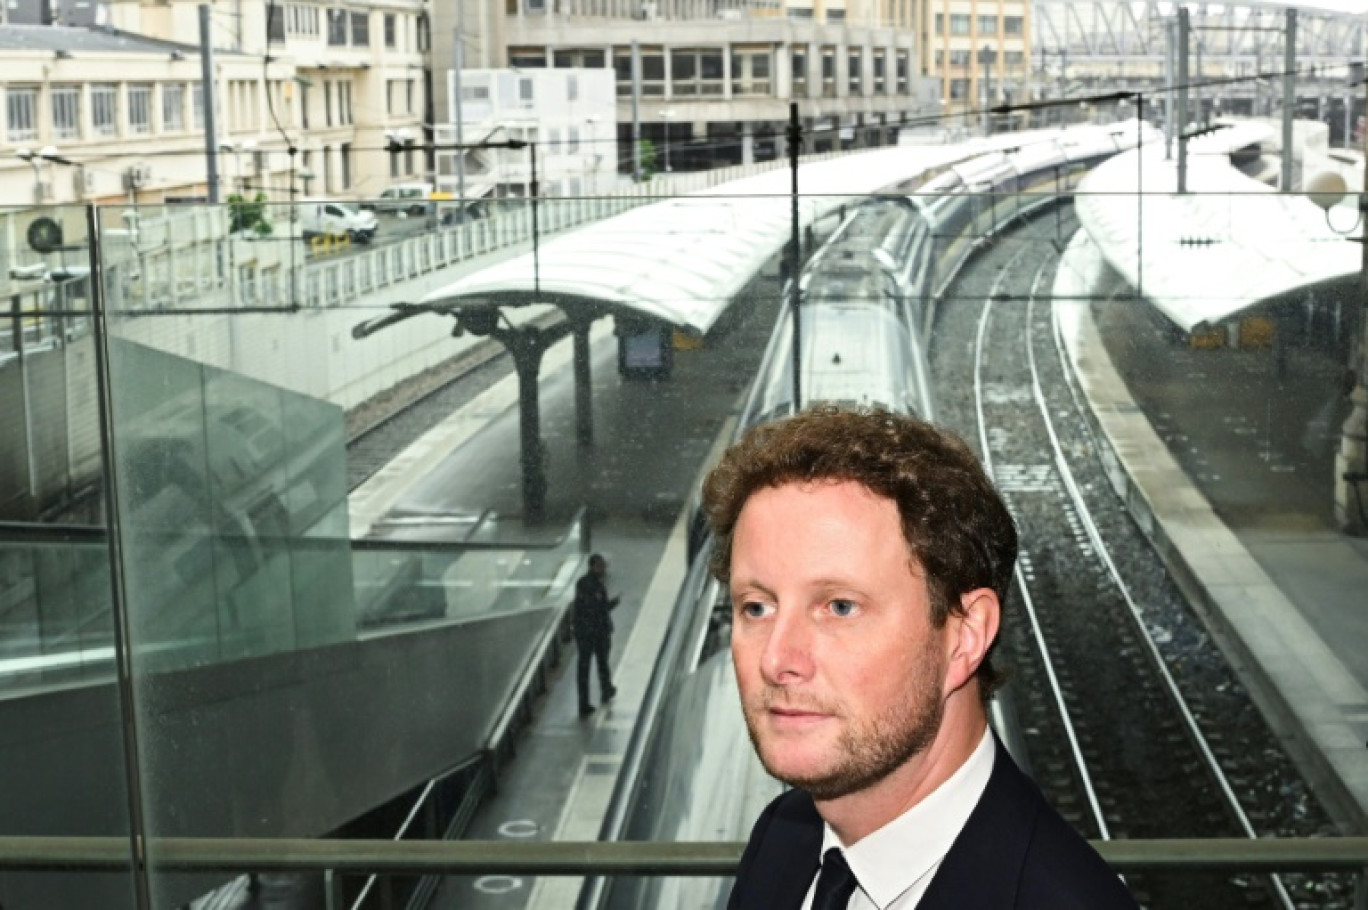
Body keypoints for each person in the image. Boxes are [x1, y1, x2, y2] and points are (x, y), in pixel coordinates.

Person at [701, 406, 1138, 910]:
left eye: (840, 607)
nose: (776, 659)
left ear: (966, 635)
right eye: (756, 607)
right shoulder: (783, 838)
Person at [573, 553, 619, 718]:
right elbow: (597, 608)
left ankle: (598, 693)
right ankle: (602, 691)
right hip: (594, 632)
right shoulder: (592, 585)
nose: (603, 569)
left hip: (587, 632)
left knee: (592, 665)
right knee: (599, 664)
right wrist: (611, 604)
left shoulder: (585, 583)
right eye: (600, 566)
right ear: (592, 566)